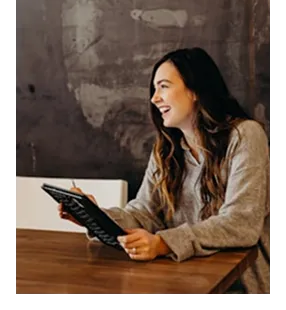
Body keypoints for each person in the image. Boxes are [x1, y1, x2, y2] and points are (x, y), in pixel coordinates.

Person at [58, 47, 270, 295]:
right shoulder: (166, 149)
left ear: (195, 91)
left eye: (164, 86)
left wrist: (163, 243)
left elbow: (241, 223)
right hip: (181, 281)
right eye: (154, 89)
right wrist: (95, 218)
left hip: (239, 288)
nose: (154, 98)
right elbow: (144, 214)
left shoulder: (245, 135)